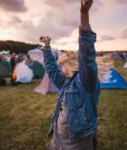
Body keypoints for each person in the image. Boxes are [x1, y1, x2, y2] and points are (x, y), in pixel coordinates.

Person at [40, 0, 100, 149]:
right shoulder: (67, 82)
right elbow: (52, 72)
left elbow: (87, 55)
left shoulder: (85, 82)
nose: (60, 69)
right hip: (58, 142)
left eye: (62, 65)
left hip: (76, 144)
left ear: (72, 64)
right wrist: (47, 48)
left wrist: (84, 14)